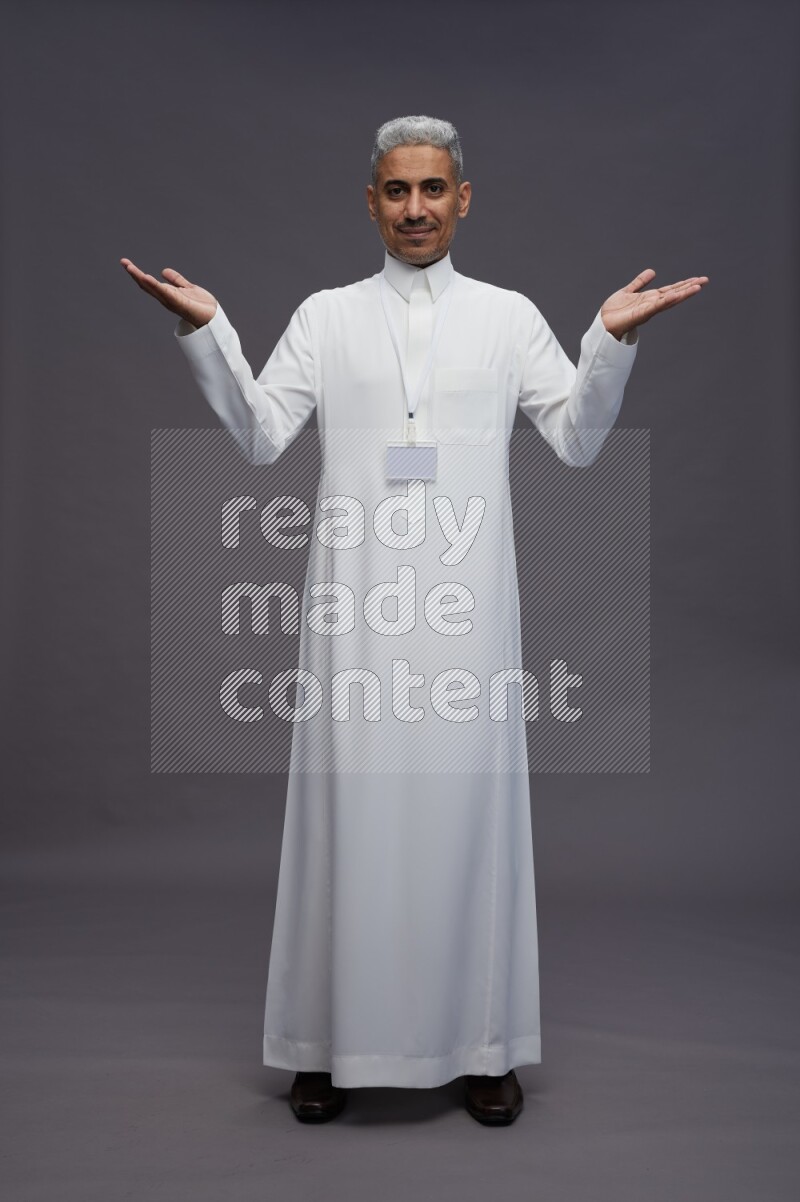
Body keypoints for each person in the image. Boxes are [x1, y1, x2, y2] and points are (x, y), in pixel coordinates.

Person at [121, 115, 708, 1126]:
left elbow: (573, 438)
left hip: (466, 610)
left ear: (463, 197)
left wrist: (605, 339)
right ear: (370, 202)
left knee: (465, 820)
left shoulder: (506, 316)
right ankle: (322, 1041)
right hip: (352, 608)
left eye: (432, 189)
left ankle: (480, 1046)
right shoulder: (324, 316)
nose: (415, 209)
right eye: (395, 191)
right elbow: (261, 437)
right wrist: (207, 331)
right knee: (344, 817)